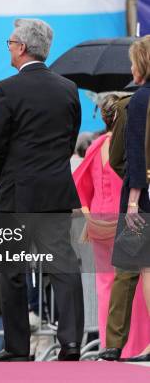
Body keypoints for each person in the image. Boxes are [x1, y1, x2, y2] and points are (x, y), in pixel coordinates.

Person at [0, 18, 84, 362]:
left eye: (10, 42)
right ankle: (71, 343)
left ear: (22, 47)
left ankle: (16, 347)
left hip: (17, 193)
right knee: (63, 267)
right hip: (55, 192)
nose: (9, 48)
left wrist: (7, 174)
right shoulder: (68, 89)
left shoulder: (6, 89)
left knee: (12, 270)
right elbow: (69, 139)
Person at [73, 95, 150, 359]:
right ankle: (136, 346)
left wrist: (86, 215)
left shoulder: (94, 147)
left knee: (107, 285)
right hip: (129, 217)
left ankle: (110, 344)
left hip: (98, 223)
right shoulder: (132, 144)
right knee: (137, 286)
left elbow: (80, 184)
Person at [99, 36, 150, 362]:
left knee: (142, 269)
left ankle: (122, 345)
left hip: (142, 198)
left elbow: (130, 157)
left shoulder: (138, 101)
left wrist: (132, 200)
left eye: (133, 61)